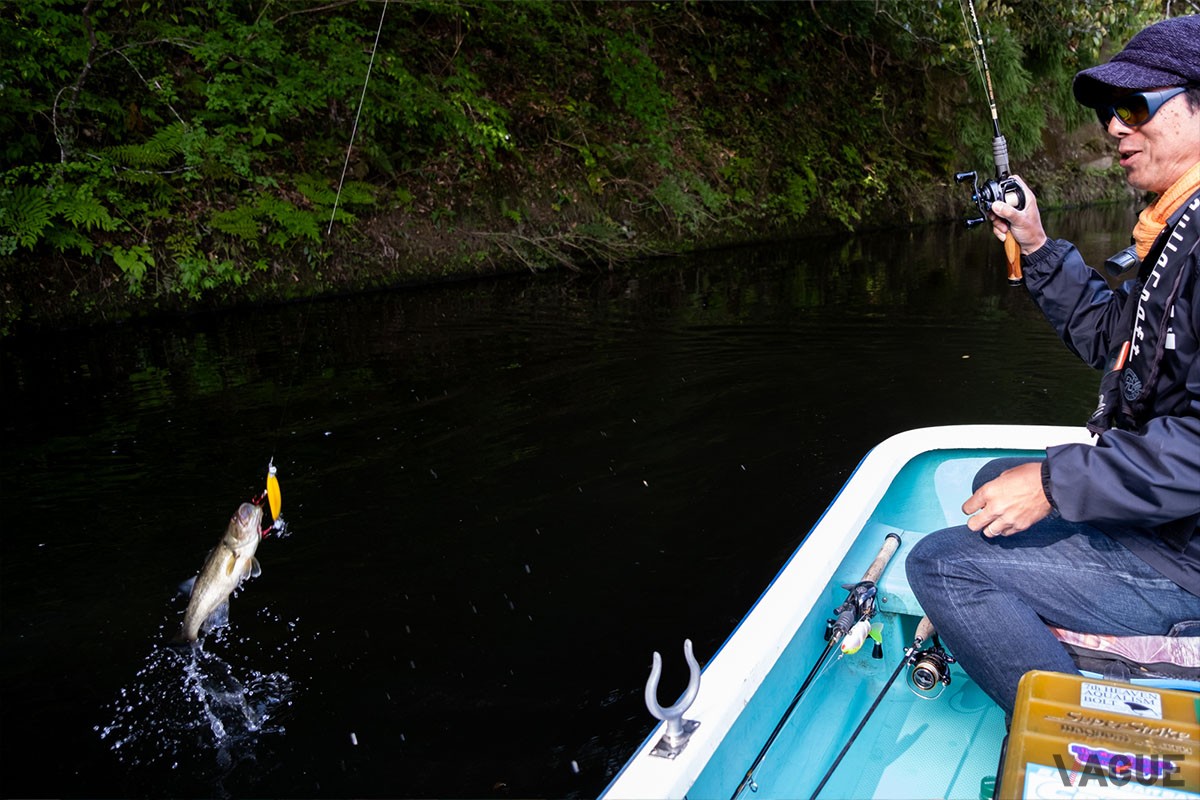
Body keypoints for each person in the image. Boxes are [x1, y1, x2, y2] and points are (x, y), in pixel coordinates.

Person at [905, 14, 1200, 716]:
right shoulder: (1177, 225)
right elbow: (1114, 339)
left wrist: (1052, 483)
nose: (1115, 128)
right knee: (991, 484)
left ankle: (1077, 740)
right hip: (1175, 521)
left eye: (1136, 106)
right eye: (1108, 112)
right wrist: (1037, 245)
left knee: (943, 567)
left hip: (1188, 557)